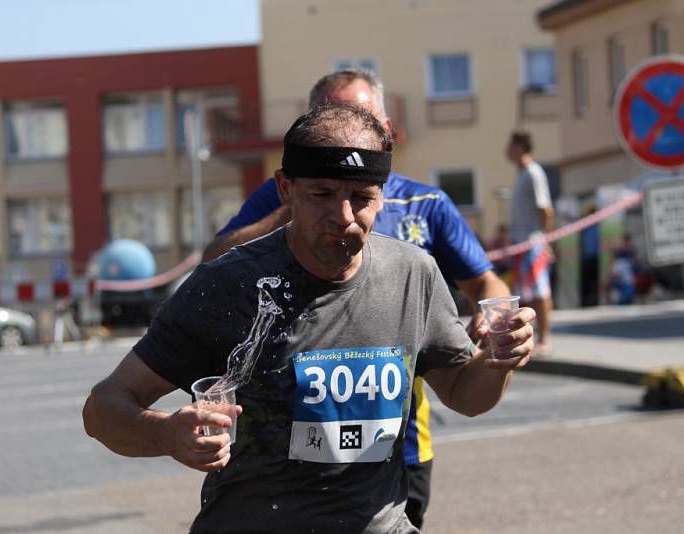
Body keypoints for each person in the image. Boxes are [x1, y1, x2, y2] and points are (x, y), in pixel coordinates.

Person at [83, 103, 535, 533]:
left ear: (383, 198)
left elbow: (464, 395)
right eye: (321, 194)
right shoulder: (229, 285)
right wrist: (167, 434)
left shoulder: (413, 274)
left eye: (361, 198)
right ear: (286, 190)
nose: (343, 217)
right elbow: (104, 407)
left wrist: (499, 359)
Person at [201, 69, 513, 528]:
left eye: (360, 117)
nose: (346, 138)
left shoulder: (424, 204)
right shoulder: (288, 191)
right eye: (331, 118)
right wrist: (297, 207)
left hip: (397, 443)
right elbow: (214, 261)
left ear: (384, 128)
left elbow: (487, 283)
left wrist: (496, 322)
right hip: (283, 447)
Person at [506, 130, 555, 355]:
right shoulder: (521, 175)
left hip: (533, 242)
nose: (506, 150)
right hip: (521, 243)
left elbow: (546, 209)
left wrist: (545, 241)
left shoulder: (534, 173)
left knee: (540, 291)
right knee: (526, 293)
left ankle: (545, 339)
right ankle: (533, 338)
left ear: (519, 148)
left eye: (510, 146)